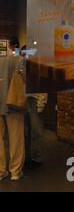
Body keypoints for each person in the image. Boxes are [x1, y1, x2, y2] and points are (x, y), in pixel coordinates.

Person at [0, 38, 26, 181]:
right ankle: (15, 171)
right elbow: (25, 78)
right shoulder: (17, 59)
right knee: (16, 138)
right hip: (13, 103)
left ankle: (0, 170)